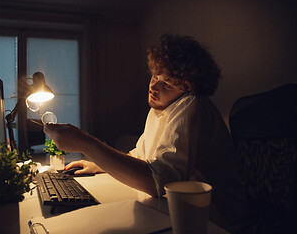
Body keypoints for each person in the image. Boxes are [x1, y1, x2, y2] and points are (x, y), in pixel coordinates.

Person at [44, 34, 250, 232]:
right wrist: (98, 165)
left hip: (216, 222)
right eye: (155, 76)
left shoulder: (193, 105)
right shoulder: (159, 109)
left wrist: (85, 143)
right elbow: (141, 156)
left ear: (188, 89)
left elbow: (157, 182)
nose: (154, 86)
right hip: (176, 213)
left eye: (167, 83)